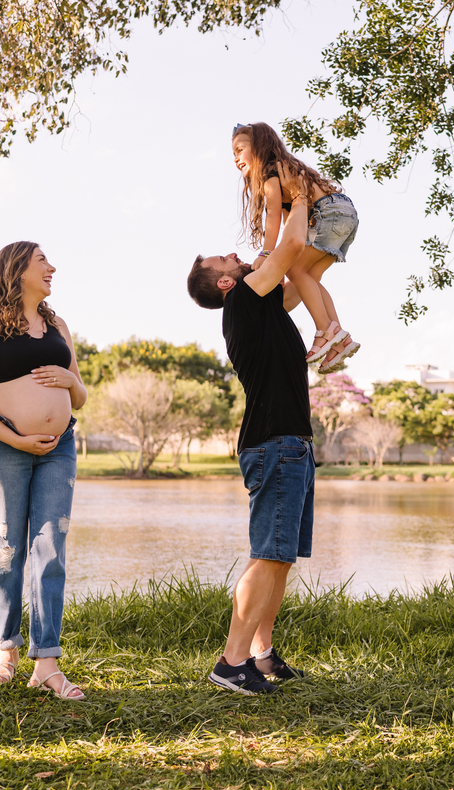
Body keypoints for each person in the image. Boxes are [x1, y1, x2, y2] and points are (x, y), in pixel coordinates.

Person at [186, 176, 316, 695]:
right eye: (225, 260)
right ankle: (230, 662)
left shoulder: (260, 302)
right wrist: (299, 194)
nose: (235, 256)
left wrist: (270, 200)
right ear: (224, 284)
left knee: (280, 557)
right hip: (274, 442)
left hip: (291, 443)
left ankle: (261, 654)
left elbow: (281, 254)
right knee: (268, 554)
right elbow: (288, 248)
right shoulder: (243, 297)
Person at [0, 241, 88, 700]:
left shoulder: (57, 324)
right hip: (2, 446)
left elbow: (80, 395)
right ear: (17, 268)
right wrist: (17, 438)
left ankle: (46, 662)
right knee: (7, 548)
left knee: (51, 545)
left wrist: (71, 381)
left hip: (58, 447)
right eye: (42, 261)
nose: (53, 267)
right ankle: (5, 651)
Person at [231, 122, 361, 374]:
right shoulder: (286, 169)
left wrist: (267, 254)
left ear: (257, 147)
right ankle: (339, 339)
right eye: (233, 153)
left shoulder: (270, 171)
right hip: (345, 214)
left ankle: (325, 331)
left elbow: (273, 214)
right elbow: (290, 224)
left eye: (240, 149)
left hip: (329, 213)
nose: (236, 158)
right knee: (309, 277)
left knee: (295, 271)